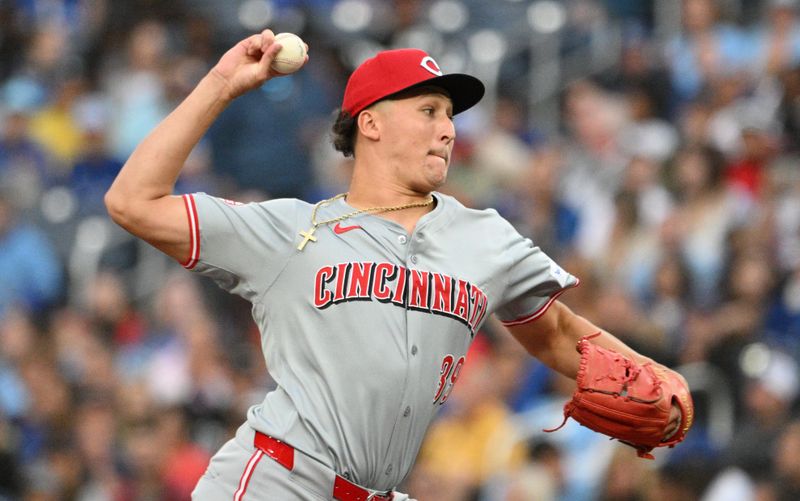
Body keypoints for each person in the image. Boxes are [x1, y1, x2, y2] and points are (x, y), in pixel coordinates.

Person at [105, 29, 687, 501]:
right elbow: (132, 202)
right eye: (429, 109)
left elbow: (555, 330)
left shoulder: (483, 235)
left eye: (450, 115)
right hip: (278, 481)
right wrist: (222, 85)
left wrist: (654, 371)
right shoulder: (290, 229)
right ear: (371, 122)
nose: (449, 129)